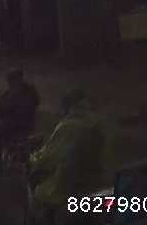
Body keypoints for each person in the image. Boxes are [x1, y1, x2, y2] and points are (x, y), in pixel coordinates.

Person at [27, 89, 105, 222]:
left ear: (68, 106)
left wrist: (33, 158)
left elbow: (47, 159)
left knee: (37, 192)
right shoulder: (96, 124)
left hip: (66, 186)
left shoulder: (68, 126)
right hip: (93, 180)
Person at [0, 67, 40, 170]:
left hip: (14, 125)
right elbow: (37, 102)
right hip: (29, 125)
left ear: (12, 80)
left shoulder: (11, 93)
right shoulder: (30, 90)